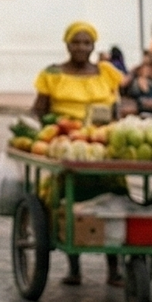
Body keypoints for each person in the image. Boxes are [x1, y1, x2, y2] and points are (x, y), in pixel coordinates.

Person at [31, 22, 123, 287]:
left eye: (87, 43)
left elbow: (116, 107)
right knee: (65, 199)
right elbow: (38, 109)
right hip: (65, 145)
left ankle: (114, 268)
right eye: (76, 42)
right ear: (67, 44)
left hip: (102, 145)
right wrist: (53, 128)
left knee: (115, 195)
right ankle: (74, 266)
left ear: (94, 46)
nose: (81, 47)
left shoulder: (107, 73)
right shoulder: (52, 74)